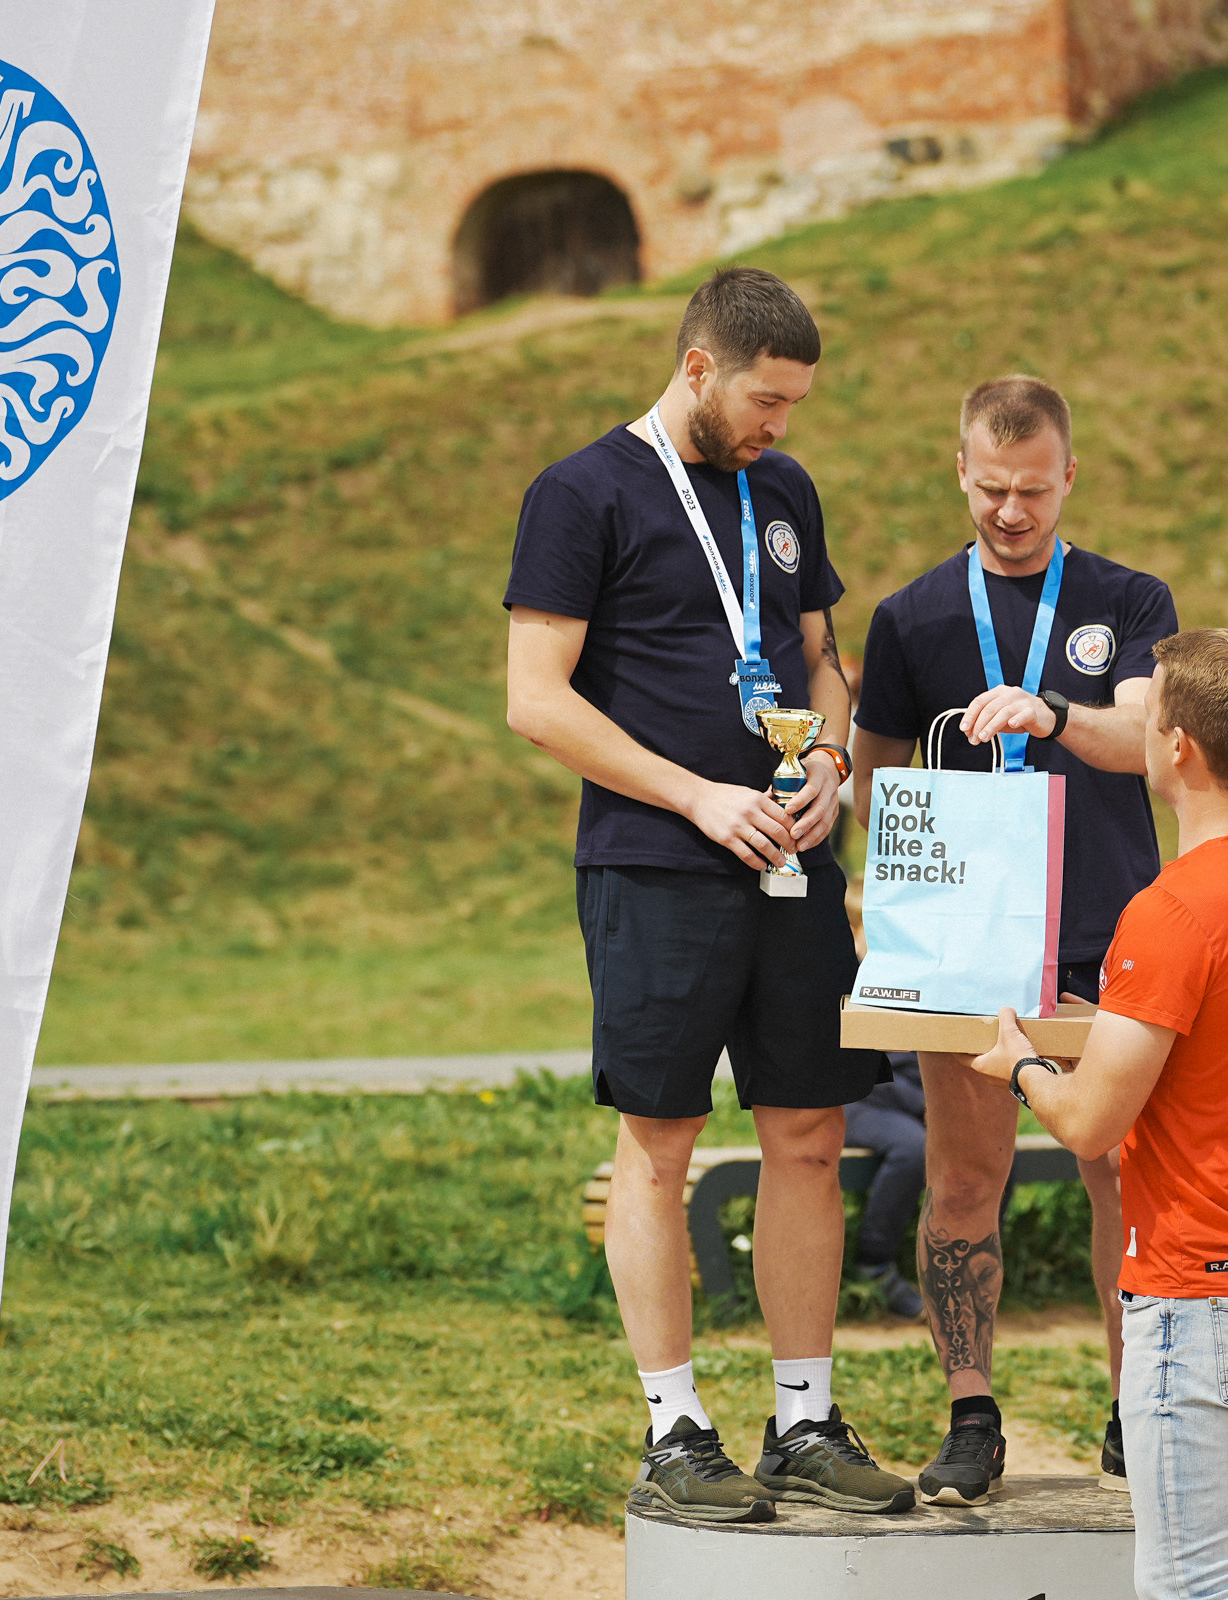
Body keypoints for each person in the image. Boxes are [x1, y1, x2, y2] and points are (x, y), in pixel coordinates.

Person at [504, 267, 912, 1522]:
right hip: (658, 864)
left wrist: (832, 763)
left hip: (792, 857)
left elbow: (819, 663)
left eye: (794, 404)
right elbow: (536, 697)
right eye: (764, 400)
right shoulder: (579, 494)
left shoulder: (781, 491)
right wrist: (695, 795)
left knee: (809, 1133)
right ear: (697, 368)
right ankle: (676, 1428)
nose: (778, 425)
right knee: (660, 1143)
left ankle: (803, 1417)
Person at [850, 374, 1179, 1503]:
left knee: (1122, 1169)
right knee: (964, 1175)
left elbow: (1145, 742)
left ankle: (1139, 1407)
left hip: (1108, 930)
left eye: (1031, 490)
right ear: (959, 472)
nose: (1008, 511)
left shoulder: (1130, 599)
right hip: (968, 939)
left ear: (1070, 477)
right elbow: (874, 782)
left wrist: (1049, 717)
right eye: (990, 488)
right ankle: (971, 1414)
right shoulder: (911, 618)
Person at [969, 629, 1228, 1600]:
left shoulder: (1169, 914)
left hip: (1202, 1292)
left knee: (1193, 1583)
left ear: (1178, 747)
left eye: (1151, 708)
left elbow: (1090, 1126)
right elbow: (1221, 1039)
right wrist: (1113, 1027)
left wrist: (1018, 1065)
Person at [842, 1052, 927, 1318]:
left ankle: (976, 1264)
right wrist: (927, 1103)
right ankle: (874, 1263)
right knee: (913, 1148)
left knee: (997, 1152)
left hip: (924, 1099)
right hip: (862, 1099)